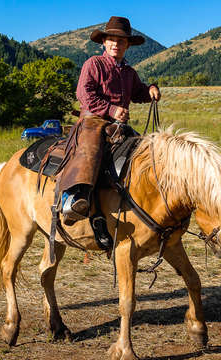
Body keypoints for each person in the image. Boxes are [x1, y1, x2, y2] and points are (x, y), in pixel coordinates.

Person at [60, 16, 161, 222]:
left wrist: (150, 89)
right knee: (90, 149)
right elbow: (84, 94)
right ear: (104, 42)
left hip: (118, 127)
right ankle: (73, 198)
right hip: (92, 121)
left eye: (121, 40)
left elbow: (138, 92)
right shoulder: (93, 64)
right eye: (112, 40)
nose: (116, 44)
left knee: (145, 148)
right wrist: (111, 110)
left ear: (127, 45)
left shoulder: (129, 72)